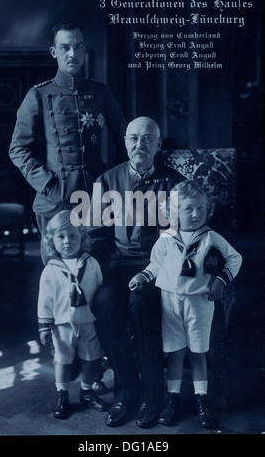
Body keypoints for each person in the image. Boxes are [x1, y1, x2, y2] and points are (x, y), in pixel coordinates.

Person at [87, 116, 185, 428]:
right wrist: (95, 273)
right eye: (133, 138)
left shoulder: (175, 182)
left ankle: (152, 398)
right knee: (103, 301)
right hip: (122, 263)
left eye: (147, 139)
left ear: (158, 144)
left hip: (160, 265)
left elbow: (185, 235)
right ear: (125, 142)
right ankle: (126, 394)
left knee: (143, 302)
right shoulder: (107, 180)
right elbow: (97, 235)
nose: (139, 144)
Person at [9, 21, 127, 262]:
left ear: (84, 50)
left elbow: (125, 140)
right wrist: (48, 184)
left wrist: (113, 181)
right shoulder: (38, 95)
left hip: (96, 199)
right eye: (65, 48)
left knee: (97, 271)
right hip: (55, 200)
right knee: (59, 277)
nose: (72, 54)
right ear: (54, 52)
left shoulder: (100, 93)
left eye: (78, 47)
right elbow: (18, 148)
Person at [129, 180, 242, 428]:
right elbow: (156, 265)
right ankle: (173, 399)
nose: (196, 214)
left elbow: (235, 258)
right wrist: (142, 277)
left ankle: (202, 400)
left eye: (201, 208)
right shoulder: (167, 239)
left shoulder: (210, 237)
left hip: (199, 302)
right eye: (189, 209)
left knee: (198, 352)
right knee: (176, 353)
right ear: (174, 213)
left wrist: (221, 280)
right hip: (170, 302)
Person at [37, 210, 108, 419]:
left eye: (73, 236)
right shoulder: (50, 270)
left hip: (88, 323)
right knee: (62, 360)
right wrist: (44, 326)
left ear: (82, 238)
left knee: (90, 359)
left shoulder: (91, 264)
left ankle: (86, 392)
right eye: (61, 236)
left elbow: (99, 292)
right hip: (62, 325)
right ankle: (63, 394)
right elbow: (44, 300)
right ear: (51, 240)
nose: (67, 241)